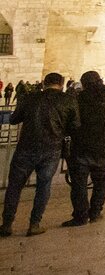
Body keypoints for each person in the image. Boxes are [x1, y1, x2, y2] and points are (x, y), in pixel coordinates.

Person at [1, 72, 80, 238]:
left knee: (14, 187)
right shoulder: (68, 100)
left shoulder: (30, 98)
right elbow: (75, 125)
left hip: (26, 148)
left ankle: (7, 224)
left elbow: (14, 119)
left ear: (44, 83)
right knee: (43, 187)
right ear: (61, 83)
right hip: (52, 149)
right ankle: (34, 224)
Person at [63, 71, 105, 227]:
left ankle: (80, 216)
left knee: (79, 183)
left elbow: (72, 121)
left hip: (82, 146)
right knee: (101, 182)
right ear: (100, 80)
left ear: (84, 83)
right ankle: (95, 212)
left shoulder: (79, 98)